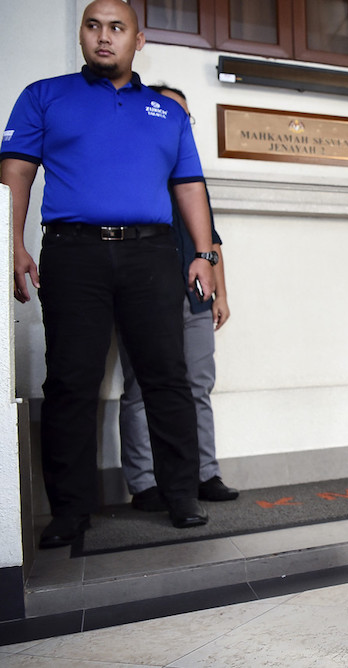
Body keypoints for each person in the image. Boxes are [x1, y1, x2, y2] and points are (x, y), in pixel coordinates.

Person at [1, 0, 216, 547]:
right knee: (71, 381)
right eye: (93, 26)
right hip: (74, 255)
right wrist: (12, 244)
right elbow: (17, 172)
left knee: (167, 376)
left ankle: (180, 496)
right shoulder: (44, 96)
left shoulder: (166, 112)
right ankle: (70, 512)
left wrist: (204, 253)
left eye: (117, 28)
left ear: (137, 40)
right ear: (81, 36)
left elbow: (189, 185)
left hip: (149, 255)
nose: (104, 37)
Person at [118, 85, 238, 512]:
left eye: (183, 115)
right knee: (139, 389)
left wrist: (221, 293)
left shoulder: (191, 175)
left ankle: (205, 474)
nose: (176, 120)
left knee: (198, 387)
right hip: (144, 295)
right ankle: (145, 483)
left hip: (194, 298)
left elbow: (212, 243)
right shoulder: (134, 168)